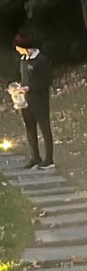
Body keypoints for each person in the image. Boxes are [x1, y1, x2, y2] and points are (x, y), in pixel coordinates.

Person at [9, 34, 54, 170]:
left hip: (40, 100)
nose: (17, 51)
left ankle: (49, 159)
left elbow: (47, 81)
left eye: (19, 48)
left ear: (25, 47)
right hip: (26, 101)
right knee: (30, 129)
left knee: (45, 129)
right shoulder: (23, 60)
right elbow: (23, 78)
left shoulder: (41, 60)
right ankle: (35, 157)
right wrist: (16, 88)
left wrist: (30, 88)